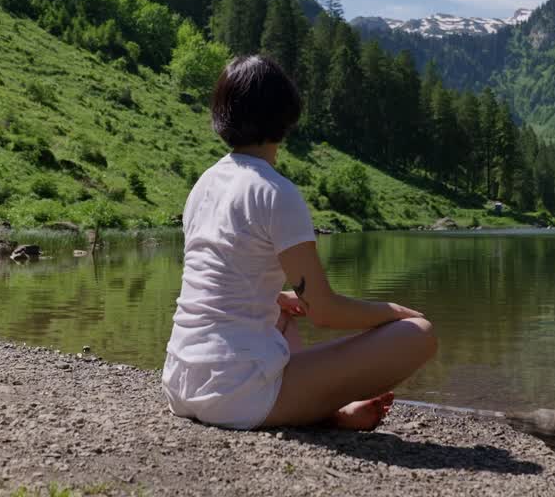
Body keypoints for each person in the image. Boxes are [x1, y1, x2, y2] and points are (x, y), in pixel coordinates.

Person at [162, 55, 437, 431]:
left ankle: (329, 411)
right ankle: (322, 411)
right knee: (419, 335)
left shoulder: (204, 185)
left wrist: (279, 299)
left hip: (180, 381)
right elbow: (324, 312)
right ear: (285, 115)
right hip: (234, 395)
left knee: (285, 315)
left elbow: (217, 282)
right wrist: (392, 311)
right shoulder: (275, 191)